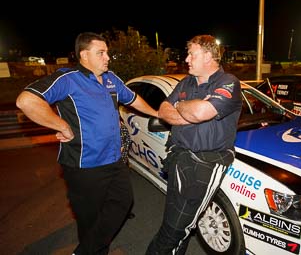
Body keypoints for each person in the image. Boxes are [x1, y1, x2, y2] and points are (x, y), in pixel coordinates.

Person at [16, 32, 158, 255]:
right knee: (90, 221)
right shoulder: (68, 78)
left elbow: (132, 98)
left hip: (114, 159)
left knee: (123, 202)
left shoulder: (111, 79)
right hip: (84, 166)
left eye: (107, 52)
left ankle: (84, 251)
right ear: (84, 55)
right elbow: (26, 100)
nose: (107, 57)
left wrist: (156, 113)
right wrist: (61, 126)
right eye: (101, 53)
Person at [146, 34, 242, 254]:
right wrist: (187, 108)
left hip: (205, 163)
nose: (187, 58)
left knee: (174, 230)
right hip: (179, 157)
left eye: (192, 54)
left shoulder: (228, 82)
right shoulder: (186, 82)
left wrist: (180, 106)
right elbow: (163, 110)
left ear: (208, 56)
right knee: (178, 226)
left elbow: (201, 112)